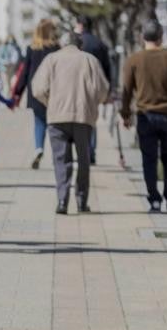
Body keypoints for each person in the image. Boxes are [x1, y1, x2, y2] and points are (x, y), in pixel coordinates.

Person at [32, 31, 110, 215]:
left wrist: (50, 103)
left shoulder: (52, 60)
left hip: (57, 117)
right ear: (79, 44)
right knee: (83, 160)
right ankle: (82, 201)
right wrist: (92, 103)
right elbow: (102, 90)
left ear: (62, 43)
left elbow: (38, 89)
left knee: (61, 160)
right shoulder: (89, 60)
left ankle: (62, 200)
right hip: (83, 117)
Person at [120, 19, 167, 213]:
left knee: (148, 159)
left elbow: (126, 90)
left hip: (145, 116)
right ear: (161, 37)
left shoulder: (134, 60)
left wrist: (125, 114)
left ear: (143, 38)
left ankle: (154, 200)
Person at [10, 19, 59, 170]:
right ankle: (56, 154)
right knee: (53, 124)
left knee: (39, 121)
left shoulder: (32, 49)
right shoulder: (56, 49)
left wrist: (17, 93)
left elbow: (24, 73)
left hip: (35, 91)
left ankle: (39, 148)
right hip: (53, 90)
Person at [75, 16, 113, 165]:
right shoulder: (100, 44)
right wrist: (108, 90)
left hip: (77, 86)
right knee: (92, 119)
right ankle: (91, 151)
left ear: (80, 25)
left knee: (78, 120)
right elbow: (107, 69)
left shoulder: (77, 44)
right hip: (95, 87)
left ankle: (82, 151)